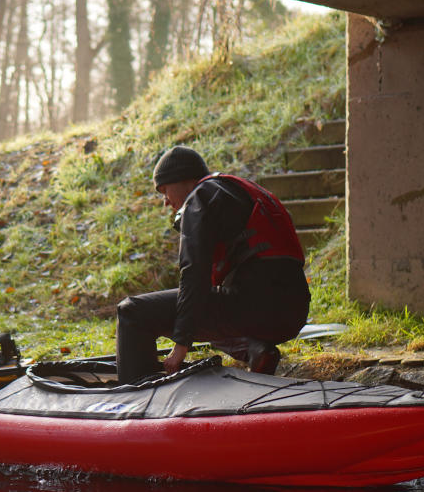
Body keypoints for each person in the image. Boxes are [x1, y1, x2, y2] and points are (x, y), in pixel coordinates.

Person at [116, 145, 310, 384]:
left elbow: (193, 274)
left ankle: (133, 397)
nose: (165, 202)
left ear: (182, 180)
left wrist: (181, 345)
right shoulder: (233, 192)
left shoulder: (199, 197)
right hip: (292, 313)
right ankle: (256, 351)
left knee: (132, 311)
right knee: (197, 311)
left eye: (164, 190)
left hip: (253, 305)